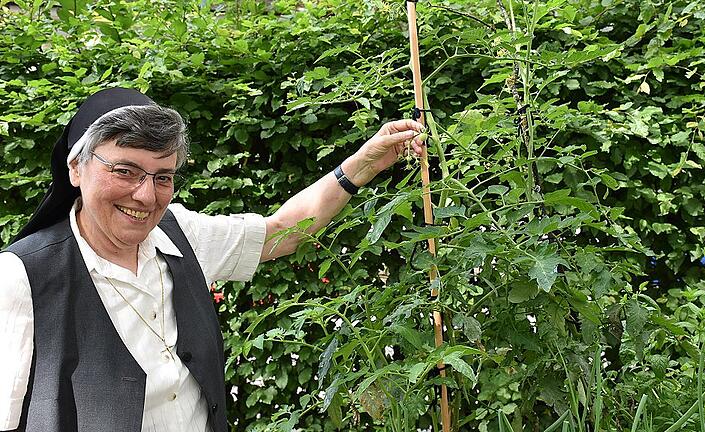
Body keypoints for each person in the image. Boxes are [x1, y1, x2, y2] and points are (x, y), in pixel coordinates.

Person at [0, 87, 424, 432]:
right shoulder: (22, 277)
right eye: (125, 171)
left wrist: (365, 164)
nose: (146, 196)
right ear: (77, 168)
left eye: (162, 177)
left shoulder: (181, 232)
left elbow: (283, 232)